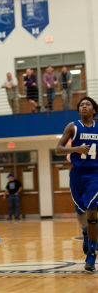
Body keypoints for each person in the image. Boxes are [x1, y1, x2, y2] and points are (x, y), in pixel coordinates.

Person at [56, 96, 98, 272]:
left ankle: (92, 255)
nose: (84, 107)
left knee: (92, 213)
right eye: (81, 105)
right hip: (77, 175)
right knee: (81, 213)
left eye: (88, 104)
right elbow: (59, 149)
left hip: (95, 174)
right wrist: (75, 149)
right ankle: (86, 235)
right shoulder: (73, 127)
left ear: (94, 110)